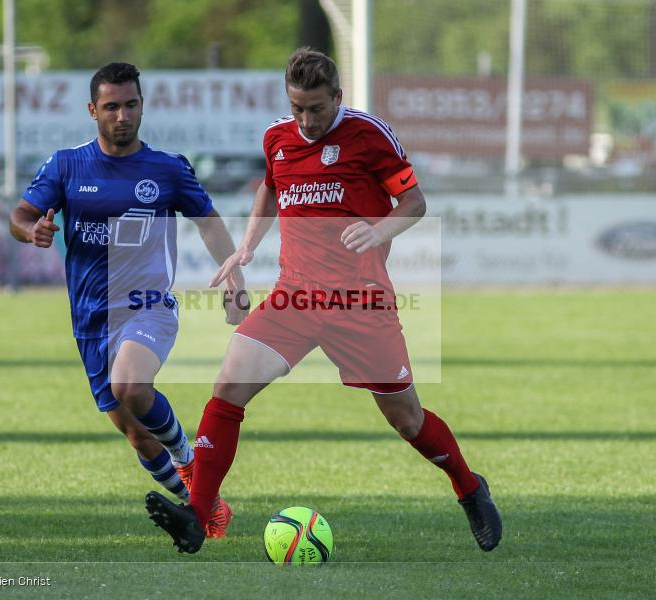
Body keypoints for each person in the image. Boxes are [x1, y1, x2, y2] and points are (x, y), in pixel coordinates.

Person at [145, 48, 502, 553]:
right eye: (297, 108)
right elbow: (270, 188)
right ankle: (197, 516)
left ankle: (469, 488)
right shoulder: (277, 137)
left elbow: (415, 203)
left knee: (407, 420)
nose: (306, 120)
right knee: (228, 385)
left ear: (338, 96)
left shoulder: (370, 136)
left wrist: (378, 232)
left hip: (361, 302)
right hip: (296, 296)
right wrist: (247, 245)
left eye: (316, 108)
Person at [9, 62, 247, 538]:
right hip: (90, 319)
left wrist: (234, 281)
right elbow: (20, 213)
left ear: (142, 106)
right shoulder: (67, 165)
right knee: (136, 432)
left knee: (132, 388)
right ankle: (204, 508)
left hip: (147, 305)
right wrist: (31, 229)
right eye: (112, 106)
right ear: (93, 110)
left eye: (131, 105)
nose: (122, 115)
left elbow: (209, 221)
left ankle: (186, 460)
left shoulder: (167, 168)